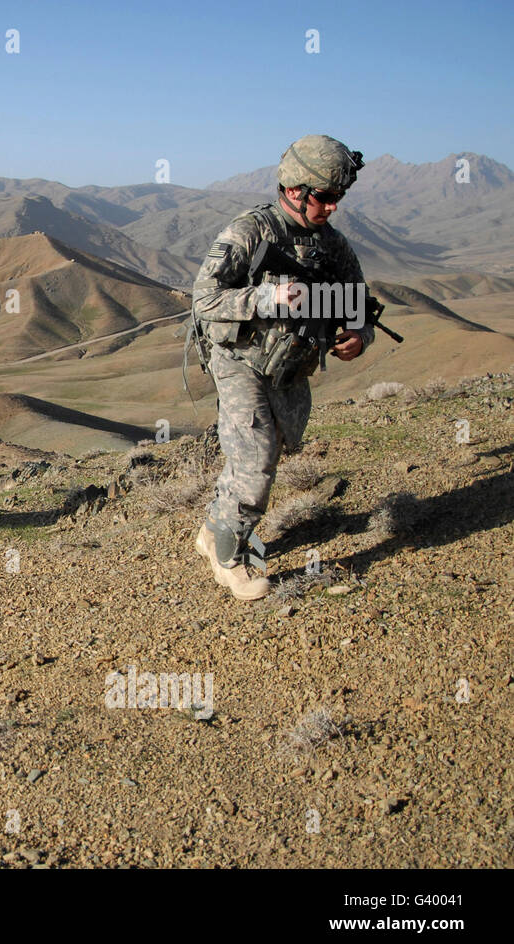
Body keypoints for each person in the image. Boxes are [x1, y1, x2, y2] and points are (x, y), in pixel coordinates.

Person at [192, 134, 375, 600]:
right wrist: (267, 296)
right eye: (325, 197)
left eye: (338, 198)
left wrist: (357, 337)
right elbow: (206, 298)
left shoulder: (334, 246)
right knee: (255, 458)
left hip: (289, 367)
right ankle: (232, 558)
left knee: (269, 450)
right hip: (239, 360)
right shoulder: (250, 232)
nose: (332, 207)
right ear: (296, 190)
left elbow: (355, 305)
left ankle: (215, 528)